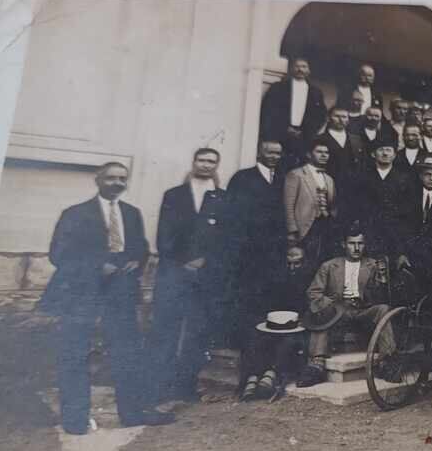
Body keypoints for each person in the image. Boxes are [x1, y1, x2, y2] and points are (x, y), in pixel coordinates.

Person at [39, 162, 173, 434]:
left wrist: (137, 261)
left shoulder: (131, 213)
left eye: (122, 179)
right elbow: (59, 254)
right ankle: (75, 421)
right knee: (75, 354)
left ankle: (133, 414)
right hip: (82, 292)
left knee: (127, 353)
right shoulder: (75, 214)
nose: (117, 183)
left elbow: (141, 247)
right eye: (111, 178)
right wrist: (98, 265)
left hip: (120, 291)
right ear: (98, 180)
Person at [148, 148, 233, 403]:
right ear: (193, 162)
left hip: (206, 275)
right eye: (202, 160)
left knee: (197, 332)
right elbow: (165, 234)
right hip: (174, 273)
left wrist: (204, 261)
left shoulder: (222, 198)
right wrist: (183, 262)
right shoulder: (174, 195)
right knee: (166, 330)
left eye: (212, 162)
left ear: (217, 166)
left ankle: (186, 386)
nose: (206, 165)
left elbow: (226, 238)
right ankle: (160, 386)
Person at [300, 228, 394, 386]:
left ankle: (388, 362)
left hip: (362, 311)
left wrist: (382, 280)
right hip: (337, 312)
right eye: (352, 243)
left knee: (384, 309)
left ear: (365, 245)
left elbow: (381, 297)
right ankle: (316, 366)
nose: (356, 248)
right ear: (344, 244)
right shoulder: (329, 266)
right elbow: (313, 293)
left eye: (360, 243)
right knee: (321, 313)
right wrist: (331, 306)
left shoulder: (373, 265)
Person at [226, 140, 287, 346]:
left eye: (278, 153)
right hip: (248, 248)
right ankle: (243, 339)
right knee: (247, 294)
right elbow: (232, 214)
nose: (274, 157)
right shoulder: (242, 177)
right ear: (259, 153)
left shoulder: (282, 179)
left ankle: (264, 340)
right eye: (270, 152)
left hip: (273, 249)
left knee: (269, 293)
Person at [237, 246, 312, 402]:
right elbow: (269, 303)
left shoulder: (311, 279)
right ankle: (252, 377)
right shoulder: (278, 279)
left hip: (299, 327)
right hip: (277, 325)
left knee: (288, 343)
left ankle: (271, 376)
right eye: (289, 263)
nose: (292, 268)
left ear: (304, 263)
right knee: (257, 339)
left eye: (297, 263)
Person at [350, 141, 417, 262]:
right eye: (381, 149)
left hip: (395, 233)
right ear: (373, 154)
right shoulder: (362, 176)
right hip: (369, 230)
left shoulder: (405, 178)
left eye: (388, 150)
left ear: (395, 155)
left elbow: (409, 211)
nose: (385, 153)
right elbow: (356, 204)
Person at [259, 57, 327, 169]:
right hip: (281, 135)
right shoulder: (278, 88)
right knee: (279, 166)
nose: (300, 69)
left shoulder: (316, 92)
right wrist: (285, 128)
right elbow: (269, 110)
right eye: (297, 66)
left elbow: (320, 116)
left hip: (304, 137)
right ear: (291, 69)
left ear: (309, 70)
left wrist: (305, 131)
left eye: (304, 67)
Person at [284, 138, 338, 272]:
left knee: (319, 264)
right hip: (303, 228)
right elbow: (288, 204)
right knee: (302, 265)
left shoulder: (329, 179)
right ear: (309, 154)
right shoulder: (296, 174)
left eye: (326, 152)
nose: (324, 155)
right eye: (319, 152)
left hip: (323, 227)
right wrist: (292, 230)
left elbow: (333, 204)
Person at [316, 105, 365, 192]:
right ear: (329, 118)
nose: (341, 120)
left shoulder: (356, 139)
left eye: (344, 117)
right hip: (328, 184)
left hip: (352, 187)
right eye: (337, 116)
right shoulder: (320, 139)